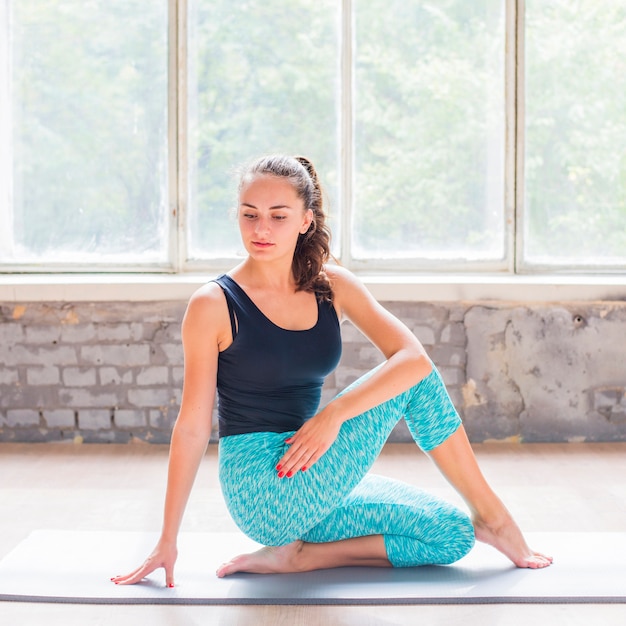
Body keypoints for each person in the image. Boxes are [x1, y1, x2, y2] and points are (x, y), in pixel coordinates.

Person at [112, 155, 552, 588]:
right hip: (263, 491)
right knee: (414, 381)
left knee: (451, 535)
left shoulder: (333, 286)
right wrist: (166, 539)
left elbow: (414, 357)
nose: (261, 229)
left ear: (306, 220)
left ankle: (300, 556)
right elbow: (191, 426)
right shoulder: (213, 303)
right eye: (250, 215)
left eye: (278, 216)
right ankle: (495, 518)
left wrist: (334, 413)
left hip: (313, 465)